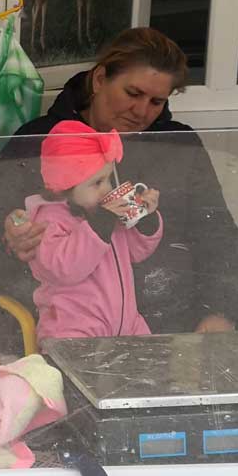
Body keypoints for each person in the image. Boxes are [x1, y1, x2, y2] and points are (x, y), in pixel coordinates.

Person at [0, 27, 238, 366]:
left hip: (168, 329)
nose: (142, 111)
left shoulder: (176, 145)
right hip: (65, 331)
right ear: (99, 80)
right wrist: (11, 238)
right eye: (132, 93)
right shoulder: (39, 142)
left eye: (156, 101)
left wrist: (222, 310)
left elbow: (218, 234)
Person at [23, 120, 162, 341]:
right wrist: (100, 226)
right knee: (77, 371)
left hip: (126, 322)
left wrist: (145, 218)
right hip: (73, 328)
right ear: (64, 188)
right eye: (97, 183)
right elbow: (63, 268)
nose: (107, 188)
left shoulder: (103, 213)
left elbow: (136, 252)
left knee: (150, 364)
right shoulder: (49, 220)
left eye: (108, 178)